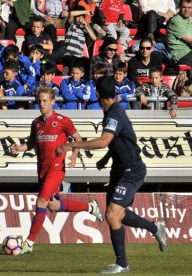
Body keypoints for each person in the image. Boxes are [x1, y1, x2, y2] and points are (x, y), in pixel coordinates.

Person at [56, 76, 167, 274]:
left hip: (131, 171)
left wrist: (72, 144)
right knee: (118, 215)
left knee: (111, 214)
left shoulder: (114, 113)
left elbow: (105, 140)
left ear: (97, 95)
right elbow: (118, 141)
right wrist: (107, 159)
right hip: (119, 168)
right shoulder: (112, 111)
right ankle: (154, 228)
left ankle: (122, 264)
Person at [10, 86, 104, 255]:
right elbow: (32, 143)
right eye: (39, 101)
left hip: (57, 168)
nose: (41, 104)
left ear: (53, 101)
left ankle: (29, 243)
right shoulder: (36, 123)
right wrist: (20, 148)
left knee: (41, 202)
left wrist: (74, 155)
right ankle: (90, 207)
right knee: (53, 206)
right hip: (42, 169)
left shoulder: (62, 120)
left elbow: (78, 139)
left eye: (45, 101)